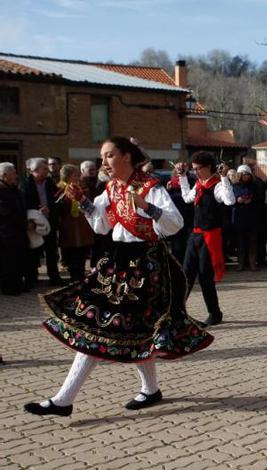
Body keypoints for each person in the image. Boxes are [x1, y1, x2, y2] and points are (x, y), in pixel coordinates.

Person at [24, 136, 213, 417]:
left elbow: (175, 224)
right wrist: (86, 203)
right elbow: (101, 226)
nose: (105, 162)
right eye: (102, 157)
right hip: (119, 263)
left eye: (109, 155)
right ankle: (150, 389)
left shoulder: (149, 186)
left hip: (147, 267)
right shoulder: (111, 188)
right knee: (129, 329)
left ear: (126, 156)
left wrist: (146, 206)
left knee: (100, 326)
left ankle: (64, 399)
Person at [179, 152, 235, 326]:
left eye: (198, 169)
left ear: (208, 167)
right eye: (193, 169)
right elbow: (187, 198)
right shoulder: (198, 184)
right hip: (195, 235)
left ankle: (215, 313)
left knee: (205, 278)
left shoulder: (217, 186)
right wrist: (182, 177)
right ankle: (178, 313)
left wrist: (224, 178)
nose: (195, 172)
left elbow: (229, 200)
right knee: (185, 275)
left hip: (210, 237)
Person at [21, 157, 63, 287]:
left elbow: (58, 200)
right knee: (33, 252)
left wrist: (49, 208)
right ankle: (31, 279)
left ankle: (54, 278)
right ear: (35, 170)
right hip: (33, 223)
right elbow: (23, 203)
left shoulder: (50, 182)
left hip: (49, 222)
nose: (47, 171)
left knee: (51, 251)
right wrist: (36, 212)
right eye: (44, 169)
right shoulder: (25, 184)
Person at [55, 164, 94, 282]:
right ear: (68, 176)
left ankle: (80, 276)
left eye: (78, 174)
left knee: (82, 254)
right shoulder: (59, 188)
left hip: (82, 227)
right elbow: (57, 207)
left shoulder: (82, 187)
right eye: (75, 174)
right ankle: (73, 277)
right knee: (71, 255)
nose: (78, 176)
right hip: (68, 227)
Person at [0, 162, 28, 295]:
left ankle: (16, 284)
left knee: (17, 261)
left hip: (18, 232)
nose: (16, 175)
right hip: (7, 234)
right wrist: (22, 221)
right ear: (4, 175)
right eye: (13, 173)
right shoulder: (1, 190)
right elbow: (6, 212)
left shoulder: (13, 188)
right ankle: (9, 287)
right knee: (8, 263)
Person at [165, 161, 196, 264]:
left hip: (189, 217)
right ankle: (178, 266)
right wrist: (168, 190)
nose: (180, 171)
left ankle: (187, 266)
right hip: (176, 218)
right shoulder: (170, 183)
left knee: (188, 244)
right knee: (177, 245)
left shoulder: (191, 181)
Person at [232, 165, 260, 271]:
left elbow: (259, 199)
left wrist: (251, 200)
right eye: (243, 175)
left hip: (251, 216)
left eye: (247, 175)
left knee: (252, 241)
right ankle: (241, 264)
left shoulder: (254, 186)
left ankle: (253, 263)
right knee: (240, 242)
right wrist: (237, 200)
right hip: (239, 216)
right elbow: (229, 200)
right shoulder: (235, 186)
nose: (245, 177)